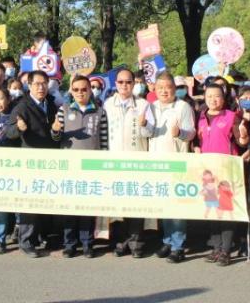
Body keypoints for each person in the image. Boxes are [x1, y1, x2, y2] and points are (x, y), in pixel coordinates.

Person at [52, 75, 108, 258]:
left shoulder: (100, 111)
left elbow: (104, 140)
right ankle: (69, 244)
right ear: (71, 91)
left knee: (87, 207)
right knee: (69, 207)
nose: (80, 93)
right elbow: (56, 139)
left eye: (84, 89)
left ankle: (87, 243)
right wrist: (55, 130)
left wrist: (104, 165)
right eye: (75, 89)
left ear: (90, 90)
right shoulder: (64, 109)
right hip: (69, 167)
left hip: (92, 167)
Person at [6, 69, 60, 257]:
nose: (41, 87)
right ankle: (26, 240)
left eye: (44, 83)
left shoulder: (53, 105)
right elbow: (9, 132)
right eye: (37, 84)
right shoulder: (22, 106)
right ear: (29, 85)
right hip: (30, 163)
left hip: (51, 162)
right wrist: (19, 128)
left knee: (46, 201)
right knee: (29, 202)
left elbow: (56, 133)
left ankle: (43, 236)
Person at [196, 81, 249, 266]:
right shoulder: (200, 117)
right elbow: (196, 140)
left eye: (216, 96)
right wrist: (195, 147)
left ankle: (226, 250)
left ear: (223, 97)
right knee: (212, 210)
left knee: (225, 210)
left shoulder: (231, 116)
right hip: (207, 173)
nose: (213, 100)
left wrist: (242, 136)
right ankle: (216, 248)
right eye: (209, 96)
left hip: (227, 172)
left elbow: (241, 142)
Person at [104, 68, 153, 258]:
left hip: (137, 161)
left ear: (134, 84)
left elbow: (150, 134)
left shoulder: (143, 105)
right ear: (115, 84)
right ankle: (120, 241)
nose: (124, 85)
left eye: (128, 82)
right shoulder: (108, 104)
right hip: (114, 161)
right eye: (121, 82)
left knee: (135, 202)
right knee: (118, 204)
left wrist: (144, 125)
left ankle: (136, 242)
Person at [148, 72, 195, 264]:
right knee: (164, 204)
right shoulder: (151, 107)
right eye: (160, 88)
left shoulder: (183, 107)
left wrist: (180, 133)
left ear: (174, 89)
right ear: (155, 89)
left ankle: (178, 246)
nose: (164, 91)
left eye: (167, 87)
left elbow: (191, 133)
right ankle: (167, 240)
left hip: (177, 163)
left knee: (177, 206)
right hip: (156, 163)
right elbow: (147, 132)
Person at [0, 87, 19, 254]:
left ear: (8, 98)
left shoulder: (15, 116)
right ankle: (0, 239)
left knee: (16, 203)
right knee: (0, 205)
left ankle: (18, 232)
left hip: (12, 166)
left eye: (1, 99)